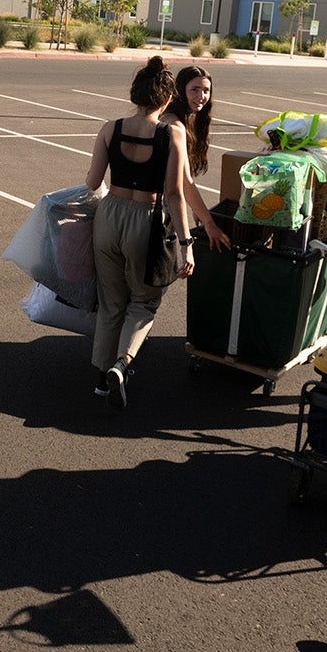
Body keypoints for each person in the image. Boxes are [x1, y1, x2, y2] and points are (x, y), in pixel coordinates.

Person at [81, 57, 194, 409]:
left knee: (111, 301)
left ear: (136, 95)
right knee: (143, 300)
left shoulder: (110, 127)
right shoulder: (171, 133)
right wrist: (187, 244)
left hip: (109, 215)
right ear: (165, 100)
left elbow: (92, 182)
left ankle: (101, 379)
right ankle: (123, 361)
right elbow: (174, 194)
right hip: (146, 219)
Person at [167, 66, 231, 251]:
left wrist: (197, 209)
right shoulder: (173, 123)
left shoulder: (186, 119)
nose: (201, 96)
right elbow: (185, 182)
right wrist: (209, 223)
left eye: (206, 90)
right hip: (153, 211)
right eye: (194, 89)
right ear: (180, 90)